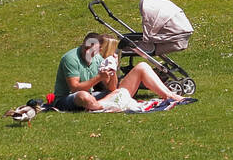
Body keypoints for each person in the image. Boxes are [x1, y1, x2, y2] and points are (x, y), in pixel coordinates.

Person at [53, 31, 182, 111]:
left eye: (92, 51)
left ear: (99, 50)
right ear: (83, 45)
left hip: (94, 96)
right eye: (86, 49)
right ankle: (104, 106)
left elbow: (112, 88)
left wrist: (113, 69)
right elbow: (75, 88)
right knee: (84, 96)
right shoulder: (70, 59)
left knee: (142, 66)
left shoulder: (98, 59)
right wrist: (99, 77)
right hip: (68, 99)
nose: (88, 53)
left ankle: (170, 96)